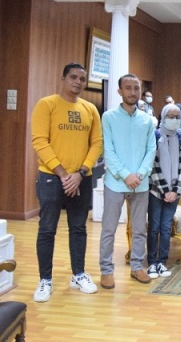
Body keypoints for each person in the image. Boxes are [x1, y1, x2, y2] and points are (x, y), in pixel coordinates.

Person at [31, 63, 103, 302]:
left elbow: (97, 143)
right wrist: (63, 174)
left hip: (81, 177)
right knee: (47, 228)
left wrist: (81, 173)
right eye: (73, 77)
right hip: (51, 177)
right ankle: (45, 279)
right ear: (63, 78)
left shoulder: (90, 109)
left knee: (79, 227)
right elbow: (40, 142)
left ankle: (78, 274)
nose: (78, 82)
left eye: (82, 79)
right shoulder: (47, 104)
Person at [100, 74, 156, 289]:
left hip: (140, 183)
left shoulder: (147, 120)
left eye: (136, 88)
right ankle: (106, 270)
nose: (133, 92)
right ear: (119, 91)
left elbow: (151, 150)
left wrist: (139, 174)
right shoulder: (109, 117)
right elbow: (108, 150)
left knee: (140, 229)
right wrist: (125, 174)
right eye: (128, 88)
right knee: (109, 229)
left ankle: (137, 267)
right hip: (115, 183)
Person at [147, 104, 181, 279]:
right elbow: (153, 165)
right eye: (170, 116)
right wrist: (165, 190)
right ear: (163, 117)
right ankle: (151, 262)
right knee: (154, 226)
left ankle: (162, 262)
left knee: (165, 227)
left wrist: (175, 190)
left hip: (174, 192)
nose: (174, 119)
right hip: (156, 190)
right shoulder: (155, 136)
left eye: (177, 116)